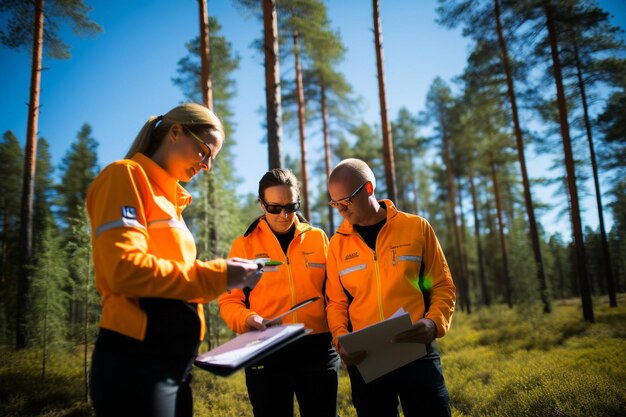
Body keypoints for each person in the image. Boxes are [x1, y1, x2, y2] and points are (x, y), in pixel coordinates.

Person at [86, 103, 262, 417]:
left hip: (174, 368)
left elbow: (176, 281)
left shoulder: (171, 204)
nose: (207, 165)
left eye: (213, 159)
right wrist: (220, 275)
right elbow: (123, 270)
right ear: (176, 132)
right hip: (136, 363)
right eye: (205, 151)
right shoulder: (124, 176)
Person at [325, 158, 456, 417]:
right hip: (367, 360)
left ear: (369, 189)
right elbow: (336, 302)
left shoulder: (416, 228)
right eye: (334, 203)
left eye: (346, 201)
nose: (340, 209)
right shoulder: (337, 245)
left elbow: (442, 284)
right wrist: (340, 339)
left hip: (418, 352)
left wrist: (433, 323)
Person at [218, 168, 340, 417]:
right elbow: (230, 300)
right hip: (265, 349)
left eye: (291, 206)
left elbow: (335, 292)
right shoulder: (244, 245)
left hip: (317, 348)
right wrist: (247, 319)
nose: (284, 215)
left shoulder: (318, 239)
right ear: (261, 204)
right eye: (275, 208)